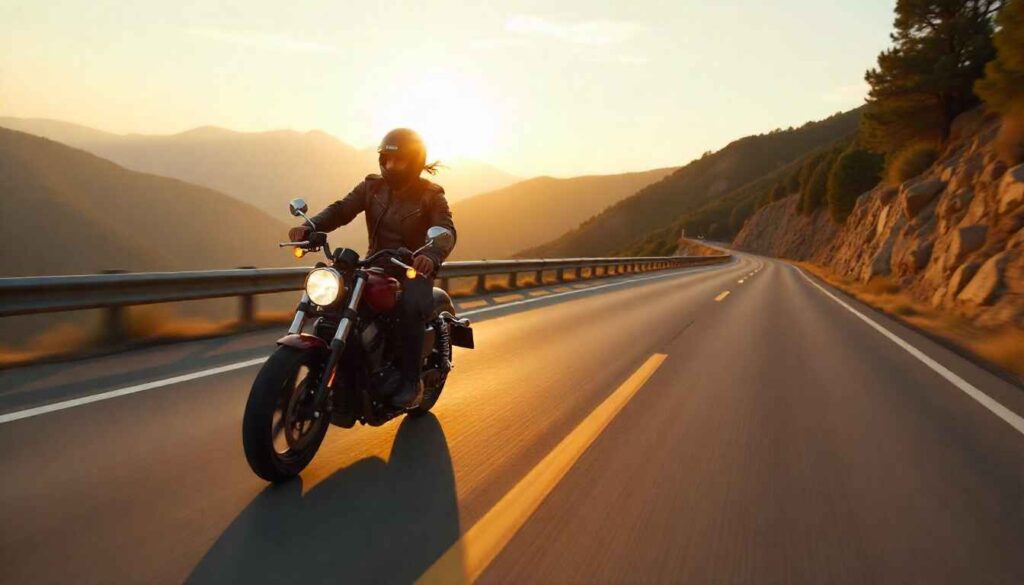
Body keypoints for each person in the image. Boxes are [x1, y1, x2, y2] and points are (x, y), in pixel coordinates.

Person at [288, 128, 456, 409]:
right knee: (336, 296)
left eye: (398, 161)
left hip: (412, 270)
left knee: (412, 304)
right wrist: (311, 226)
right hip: (374, 264)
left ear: (414, 162)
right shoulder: (371, 187)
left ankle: (410, 382)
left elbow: (447, 229)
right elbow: (342, 210)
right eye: (386, 160)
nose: (390, 166)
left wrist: (431, 254)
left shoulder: (431, 195)